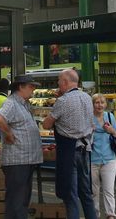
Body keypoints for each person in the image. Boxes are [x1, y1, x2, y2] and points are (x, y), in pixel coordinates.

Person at [42, 68, 96, 219]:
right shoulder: (87, 97)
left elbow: (46, 124)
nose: (58, 84)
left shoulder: (63, 101)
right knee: (86, 193)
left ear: (65, 82)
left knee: (70, 194)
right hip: (86, 149)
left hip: (69, 151)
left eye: (59, 81)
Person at [0, 75, 42, 219]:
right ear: (20, 87)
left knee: (22, 200)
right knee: (17, 200)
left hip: (26, 159)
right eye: (31, 86)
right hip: (17, 160)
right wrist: (8, 133)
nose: (33, 89)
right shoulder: (12, 103)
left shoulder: (24, 103)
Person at [90, 93, 116, 219]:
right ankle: (95, 214)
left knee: (108, 190)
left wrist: (111, 130)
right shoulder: (88, 118)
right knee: (94, 191)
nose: (100, 105)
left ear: (106, 104)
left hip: (109, 158)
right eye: (97, 102)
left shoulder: (110, 116)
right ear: (92, 104)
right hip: (92, 158)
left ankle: (110, 215)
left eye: (102, 102)